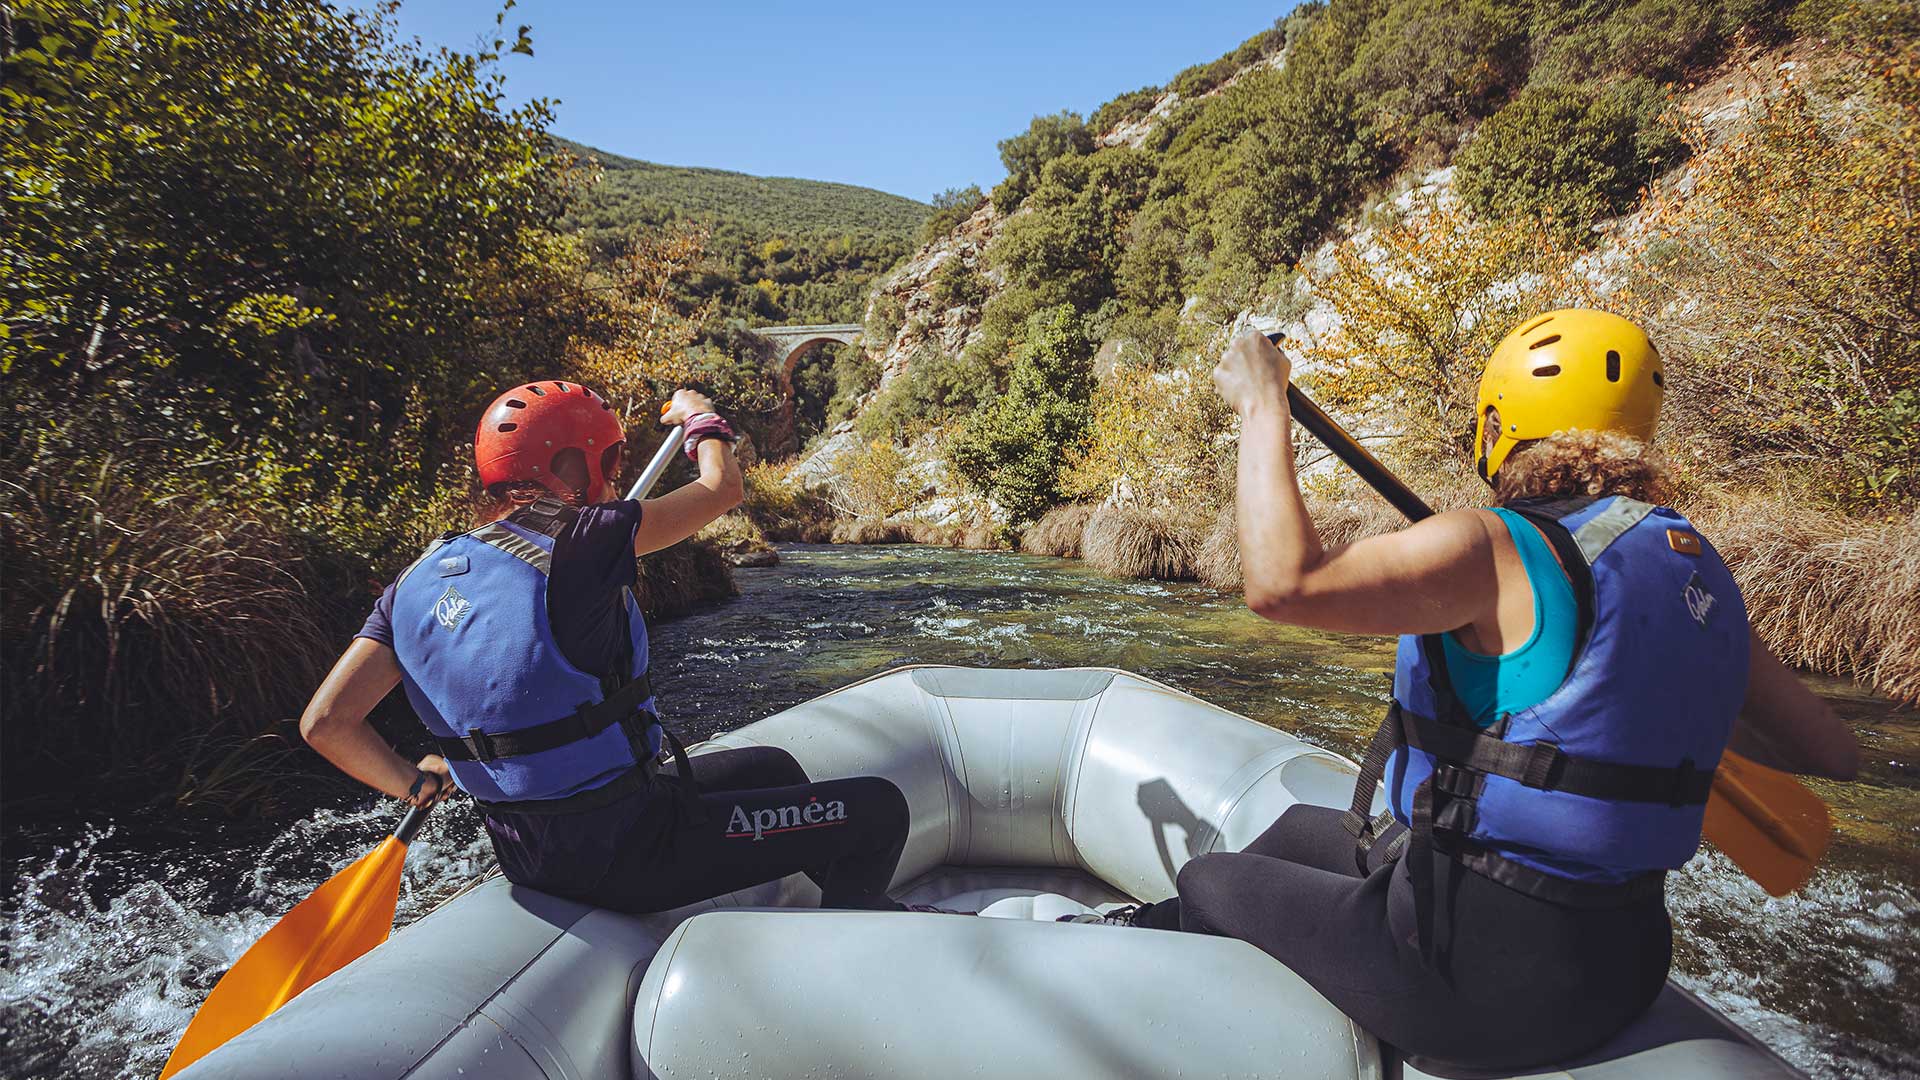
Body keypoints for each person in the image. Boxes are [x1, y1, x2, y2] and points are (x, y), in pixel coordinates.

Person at [1067, 310, 1859, 1070]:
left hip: (1472, 976)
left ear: (1498, 426)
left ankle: (1142, 981)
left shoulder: (1488, 546)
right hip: (1627, 956)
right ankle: (1149, 929)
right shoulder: (1693, 566)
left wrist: (1262, 400)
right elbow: (1829, 749)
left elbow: (1282, 583)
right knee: (1306, 829)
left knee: (1212, 881)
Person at [300, 381, 931, 914]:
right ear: (580, 466)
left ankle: (855, 905)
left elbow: (326, 723)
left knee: (770, 770)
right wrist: (700, 417)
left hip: (529, 852)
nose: (617, 476)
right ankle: (857, 951)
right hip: (627, 852)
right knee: (879, 810)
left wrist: (412, 781)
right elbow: (722, 488)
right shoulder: (586, 540)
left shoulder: (417, 578)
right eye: (611, 461)